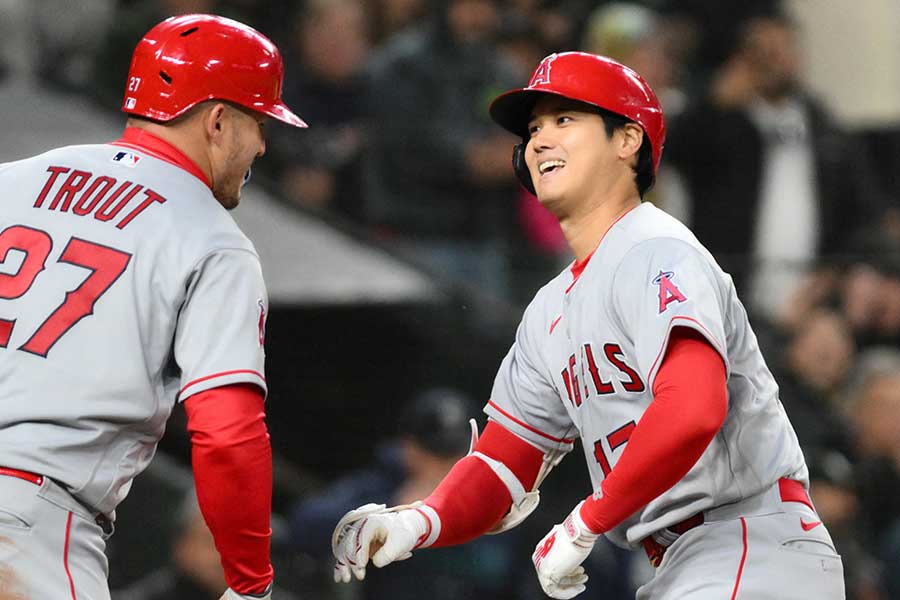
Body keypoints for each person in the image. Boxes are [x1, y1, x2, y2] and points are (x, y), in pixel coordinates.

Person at [331, 51, 845, 599]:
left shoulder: (657, 249)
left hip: (747, 538)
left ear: (627, 140)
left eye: (564, 120)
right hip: (688, 559)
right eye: (533, 128)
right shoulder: (551, 310)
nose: (540, 141)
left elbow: (694, 407)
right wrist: (417, 523)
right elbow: (505, 463)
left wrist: (587, 520)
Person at [0, 14, 306, 600]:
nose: (264, 143)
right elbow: (227, 433)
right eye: (259, 121)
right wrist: (250, 582)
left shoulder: (14, 178)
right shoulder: (213, 241)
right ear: (217, 120)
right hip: (31, 522)